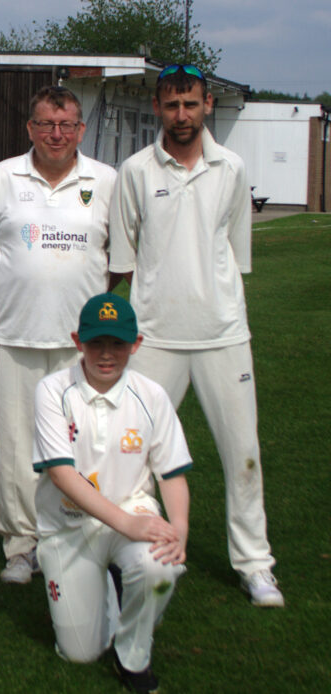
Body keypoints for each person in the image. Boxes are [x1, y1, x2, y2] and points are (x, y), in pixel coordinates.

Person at [109, 64, 282, 607]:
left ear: (207, 105)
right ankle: (122, 551)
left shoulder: (231, 167)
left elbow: (233, 252)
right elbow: (124, 258)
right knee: (131, 450)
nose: (180, 115)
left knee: (243, 453)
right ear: (158, 107)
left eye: (190, 104)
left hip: (222, 333)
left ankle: (255, 565)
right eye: (170, 105)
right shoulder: (134, 170)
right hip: (155, 336)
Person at [0, 86, 118, 584]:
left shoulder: (108, 181)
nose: (57, 134)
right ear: (29, 128)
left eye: (67, 124)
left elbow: (116, 263)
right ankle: (20, 546)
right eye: (47, 124)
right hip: (19, 336)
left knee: (88, 442)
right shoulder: (1, 178)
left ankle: (82, 534)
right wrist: (22, 290)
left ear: (81, 130)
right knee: (16, 448)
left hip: (84, 343)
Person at [32, 292, 190, 694]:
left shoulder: (152, 395)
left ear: (135, 344)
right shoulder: (53, 390)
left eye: (117, 343)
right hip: (68, 525)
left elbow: (171, 473)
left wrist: (179, 532)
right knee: (80, 652)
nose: (106, 354)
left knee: (160, 568)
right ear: (77, 341)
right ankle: (108, 589)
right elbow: (62, 476)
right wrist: (128, 524)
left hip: (130, 512)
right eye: (96, 342)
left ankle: (132, 658)